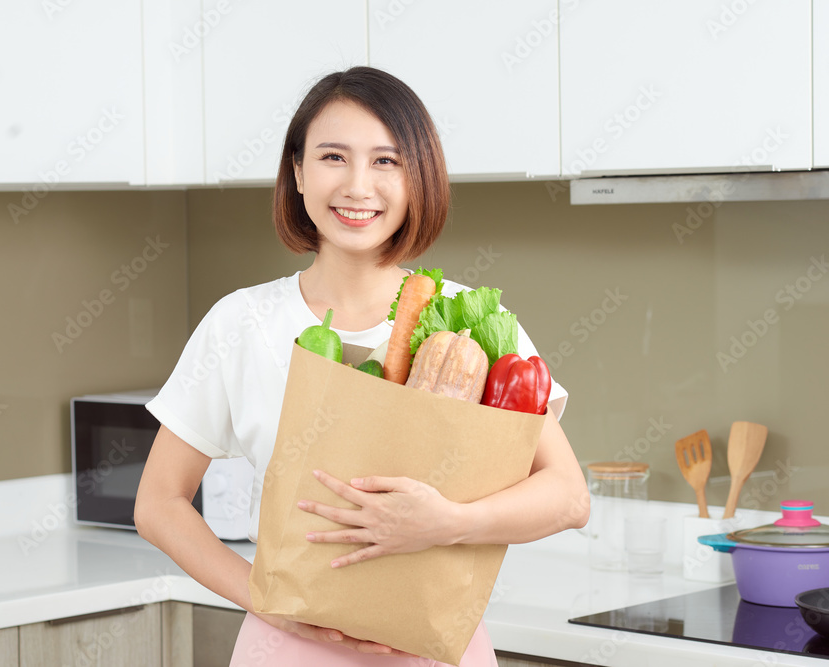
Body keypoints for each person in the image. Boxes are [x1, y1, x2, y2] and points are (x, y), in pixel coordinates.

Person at [134, 66, 589, 666]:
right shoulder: (240, 322)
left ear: (417, 177)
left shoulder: (467, 323)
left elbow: (568, 497)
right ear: (297, 171)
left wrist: (447, 522)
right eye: (332, 157)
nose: (357, 186)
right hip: (289, 647)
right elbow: (159, 503)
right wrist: (263, 597)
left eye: (386, 161)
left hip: (434, 646)